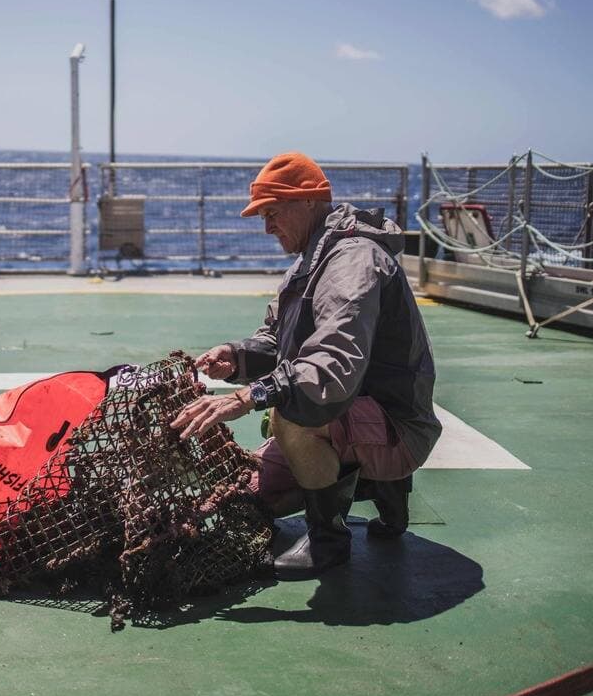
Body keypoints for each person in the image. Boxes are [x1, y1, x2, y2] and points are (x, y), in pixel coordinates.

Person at [170, 152, 442, 579]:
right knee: (242, 497)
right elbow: (277, 339)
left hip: (396, 427)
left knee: (291, 414)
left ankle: (327, 541)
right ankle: (380, 490)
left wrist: (248, 396)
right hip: (351, 416)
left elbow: (331, 367)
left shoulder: (351, 262)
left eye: (273, 213)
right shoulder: (311, 260)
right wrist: (236, 357)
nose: (267, 227)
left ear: (309, 201)